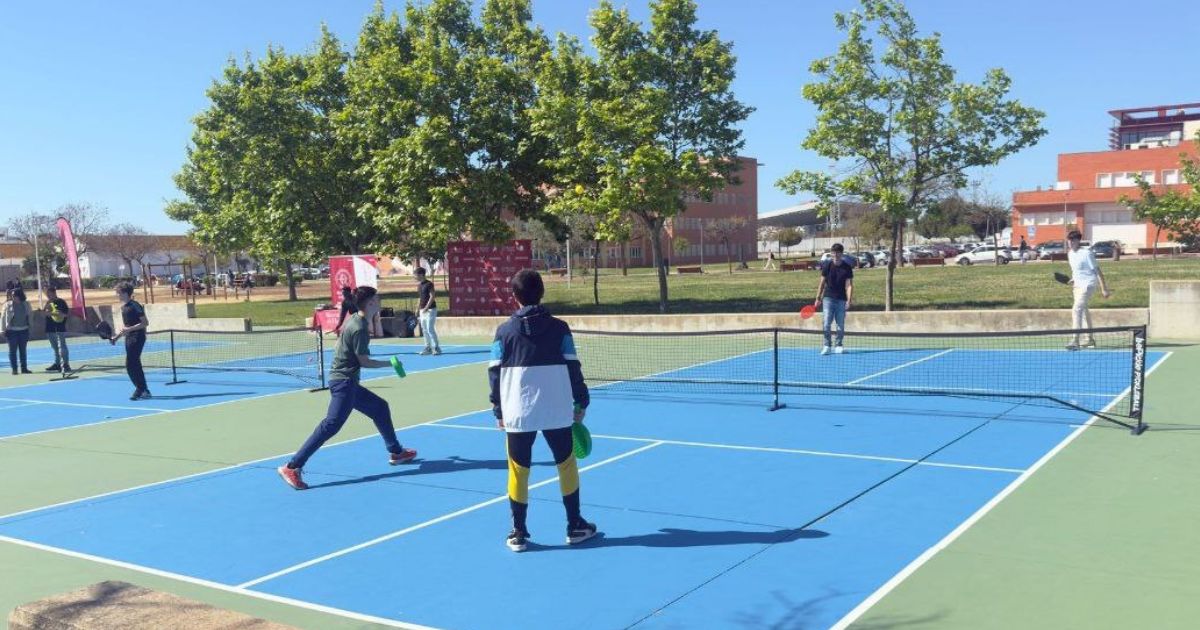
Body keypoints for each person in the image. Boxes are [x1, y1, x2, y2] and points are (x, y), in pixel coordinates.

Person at [489, 269, 596, 552]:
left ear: (514, 297)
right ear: (542, 293)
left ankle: (518, 532)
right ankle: (575, 526)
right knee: (566, 465)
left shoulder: (503, 331)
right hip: (556, 408)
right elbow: (573, 366)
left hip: (517, 411)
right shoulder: (560, 328)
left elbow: (494, 373)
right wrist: (581, 400)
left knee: (518, 470)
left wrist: (498, 409)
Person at [278, 286, 417, 491]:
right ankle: (293, 466)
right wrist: (391, 364)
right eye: (377, 299)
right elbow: (365, 362)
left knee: (380, 408)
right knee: (331, 425)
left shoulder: (356, 319)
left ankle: (396, 452)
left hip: (347, 381)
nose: (379, 302)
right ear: (370, 303)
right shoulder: (359, 327)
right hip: (344, 382)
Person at [1065, 230, 1111, 350]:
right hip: (1077, 286)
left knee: (1076, 309)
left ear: (1078, 241)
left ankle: (1075, 340)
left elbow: (1098, 272)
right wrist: (1073, 279)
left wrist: (1104, 289)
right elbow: (1076, 271)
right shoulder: (1070, 254)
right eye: (1069, 240)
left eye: (1072, 240)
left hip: (1088, 285)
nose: (1070, 242)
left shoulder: (1087, 253)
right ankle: (1090, 340)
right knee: (1084, 311)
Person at [814, 243, 854, 355]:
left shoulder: (847, 267)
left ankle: (838, 345)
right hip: (828, 298)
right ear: (831, 253)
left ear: (842, 253)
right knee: (826, 322)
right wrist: (818, 298)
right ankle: (827, 345)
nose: (835, 255)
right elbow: (822, 283)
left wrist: (849, 300)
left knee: (840, 324)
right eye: (833, 252)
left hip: (841, 299)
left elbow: (849, 285)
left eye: (837, 253)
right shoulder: (827, 265)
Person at [112, 282, 151, 399]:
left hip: (138, 337)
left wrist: (130, 329)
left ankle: (140, 389)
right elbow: (126, 327)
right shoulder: (124, 307)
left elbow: (145, 323)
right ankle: (144, 390)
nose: (117, 295)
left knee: (130, 364)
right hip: (129, 337)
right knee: (135, 364)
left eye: (118, 293)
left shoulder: (135, 305)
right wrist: (116, 337)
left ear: (124, 293)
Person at [3, 288, 33, 375]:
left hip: (24, 330)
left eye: (14, 295)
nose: (13, 297)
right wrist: (2, 330)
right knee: (12, 351)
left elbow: (30, 316)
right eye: (12, 295)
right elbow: (3, 317)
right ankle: (14, 369)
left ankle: (24, 368)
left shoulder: (26, 304)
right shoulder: (7, 305)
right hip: (12, 331)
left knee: (23, 351)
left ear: (19, 295)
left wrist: (31, 327)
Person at [43, 286, 71, 372]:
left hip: (59, 328)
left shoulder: (61, 302)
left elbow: (65, 314)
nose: (47, 295)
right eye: (46, 294)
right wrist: (45, 313)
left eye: (49, 293)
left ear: (54, 293)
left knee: (62, 346)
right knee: (55, 347)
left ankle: (65, 364)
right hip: (50, 328)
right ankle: (58, 364)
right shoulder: (48, 302)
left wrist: (52, 313)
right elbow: (45, 313)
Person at [416, 267, 441, 355]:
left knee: (430, 328)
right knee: (424, 329)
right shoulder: (419, 285)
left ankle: (436, 347)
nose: (416, 276)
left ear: (422, 274)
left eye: (417, 275)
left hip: (431, 310)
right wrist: (417, 308)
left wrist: (427, 307)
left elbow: (432, 296)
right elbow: (420, 298)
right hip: (422, 310)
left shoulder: (429, 284)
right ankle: (428, 347)